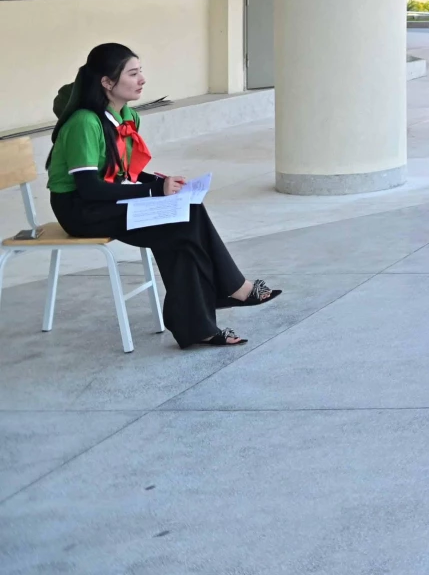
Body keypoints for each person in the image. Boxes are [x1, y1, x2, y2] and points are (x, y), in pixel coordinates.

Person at [44, 44, 279, 348]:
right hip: (80, 209)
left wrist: (159, 181)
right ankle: (230, 291)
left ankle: (205, 322)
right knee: (180, 224)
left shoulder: (126, 115)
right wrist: (154, 190)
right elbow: (89, 187)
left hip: (107, 199)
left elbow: (122, 170)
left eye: (140, 71)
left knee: (187, 213)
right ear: (106, 82)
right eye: (133, 73)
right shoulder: (84, 123)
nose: (142, 79)